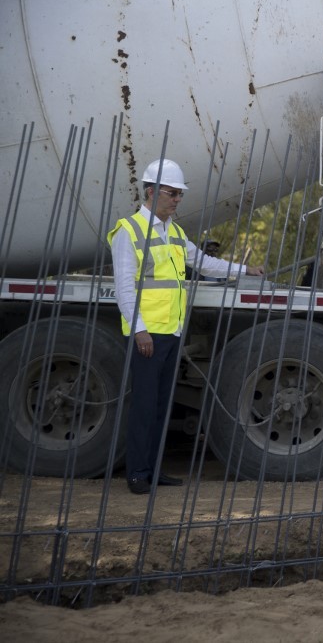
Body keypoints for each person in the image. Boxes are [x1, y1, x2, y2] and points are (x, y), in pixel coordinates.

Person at [108, 158, 264, 494]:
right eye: (172, 193)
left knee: (161, 407)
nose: (178, 199)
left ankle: (153, 470)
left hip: (171, 332)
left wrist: (243, 270)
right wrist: (139, 330)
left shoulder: (174, 232)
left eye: (180, 194)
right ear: (151, 192)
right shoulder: (128, 231)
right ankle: (137, 474)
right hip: (147, 334)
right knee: (144, 407)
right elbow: (124, 288)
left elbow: (204, 263)